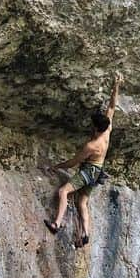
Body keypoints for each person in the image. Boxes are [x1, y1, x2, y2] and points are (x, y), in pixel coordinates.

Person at [45, 73, 121, 247]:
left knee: (63, 191)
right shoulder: (107, 131)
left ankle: (56, 223)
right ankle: (85, 233)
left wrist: (57, 166)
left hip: (89, 171)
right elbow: (112, 106)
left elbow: (73, 162)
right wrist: (116, 85)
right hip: (97, 172)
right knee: (82, 202)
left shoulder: (92, 145)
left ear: (95, 127)